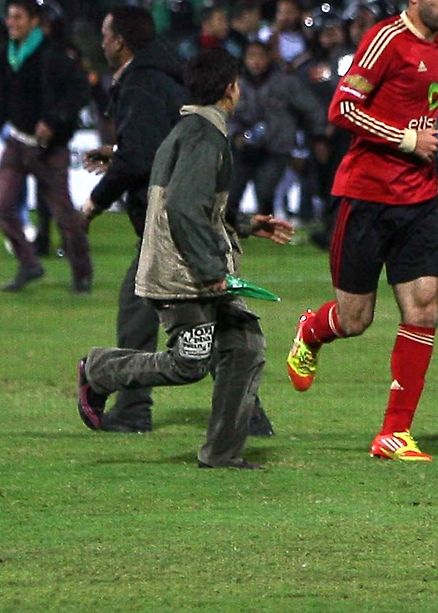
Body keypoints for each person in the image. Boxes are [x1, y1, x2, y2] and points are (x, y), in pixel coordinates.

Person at [77, 48, 295, 469]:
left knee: (245, 347)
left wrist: (246, 225)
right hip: (185, 274)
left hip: (190, 267)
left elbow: (198, 203)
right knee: (189, 362)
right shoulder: (203, 137)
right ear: (232, 89)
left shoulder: (193, 129)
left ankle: (222, 454)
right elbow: (182, 206)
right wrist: (211, 270)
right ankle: (99, 370)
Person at [285, 0, 438, 461]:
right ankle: (313, 329)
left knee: (424, 310)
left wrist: (420, 145)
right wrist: (407, 140)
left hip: (421, 199)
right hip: (367, 198)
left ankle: (394, 432)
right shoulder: (386, 39)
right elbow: (341, 107)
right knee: (355, 318)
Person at [81, 4, 189, 433]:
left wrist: (93, 204)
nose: (102, 43)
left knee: (136, 310)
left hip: (164, 220)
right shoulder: (166, 77)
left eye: (106, 35)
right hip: (186, 213)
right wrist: (117, 153)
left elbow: (141, 158)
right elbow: (161, 143)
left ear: (120, 42)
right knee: (211, 320)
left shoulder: (140, 82)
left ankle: (132, 411)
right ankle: (247, 413)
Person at [0, 0, 92, 293]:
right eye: (9, 17)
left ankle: (82, 273)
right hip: (17, 141)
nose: (11, 23)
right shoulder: (10, 53)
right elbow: (5, 94)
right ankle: (29, 263)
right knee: (2, 206)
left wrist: (53, 120)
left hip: (48, 148)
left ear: (34, 21)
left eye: (18, 17)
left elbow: (79, 91)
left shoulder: (53, 55)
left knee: (63, 215)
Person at [227, 39, 325, 219]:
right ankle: (229, 232)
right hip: (243, 148)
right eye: (251, 56)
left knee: (265, 193)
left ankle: (265, 228)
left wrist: (319, 135)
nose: (256, 61)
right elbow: (226, 115)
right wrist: (235, 136)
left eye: (260, 56)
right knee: (231, 195)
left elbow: (312, 109)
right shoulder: (236, 86)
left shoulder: (286, 83)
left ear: (269, 58)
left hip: (275, 149)